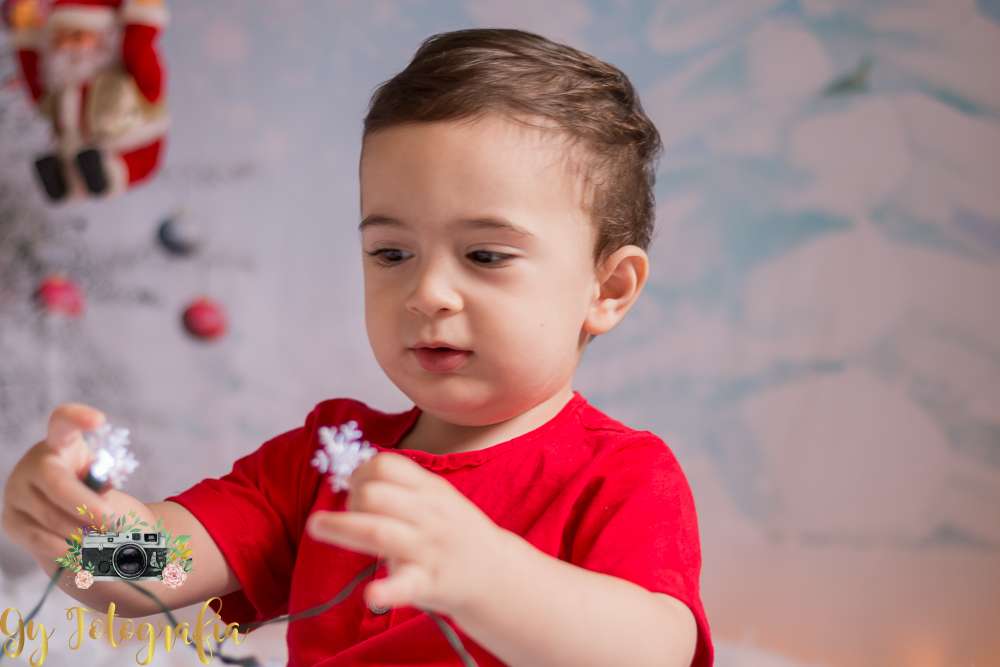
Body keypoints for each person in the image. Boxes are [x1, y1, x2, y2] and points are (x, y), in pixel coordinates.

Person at [1, 29, 713, 667]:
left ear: (608, 288)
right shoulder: (328, 459)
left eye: (486, 255)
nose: (428, 291)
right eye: (393, 251)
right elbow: (157, 567)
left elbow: (655, 647)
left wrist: (494, 577)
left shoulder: (621, 474)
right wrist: (74, 526)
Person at [1, 0, 169, 201]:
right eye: (58, 39)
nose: (66, 46)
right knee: (74, 167)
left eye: (77, 37)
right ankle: (65, 181)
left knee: (104, 168)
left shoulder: (125, 75)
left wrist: (143, 13)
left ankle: (103, 173)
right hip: (74, 153)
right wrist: (27, 33)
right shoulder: (61, 84)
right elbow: (37, 85)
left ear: (104, 39)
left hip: (131, 149)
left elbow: (138, 49)